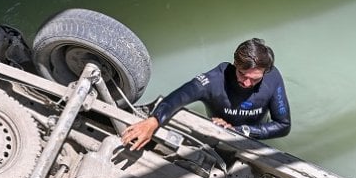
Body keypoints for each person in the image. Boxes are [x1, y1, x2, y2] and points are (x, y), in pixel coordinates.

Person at [120, 38, 291, 150]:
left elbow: (283, 126)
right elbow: (180, 96)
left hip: (253, 136)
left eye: (254, 79)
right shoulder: (214, 80)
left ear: (265, 72)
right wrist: (154, 120)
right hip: (216, 136)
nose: (246, 83)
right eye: (242, 75)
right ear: (235, 64)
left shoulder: (272, 77)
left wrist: (238, 131)